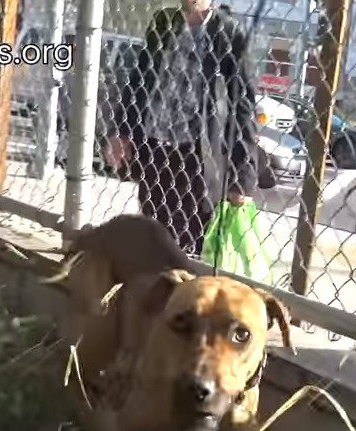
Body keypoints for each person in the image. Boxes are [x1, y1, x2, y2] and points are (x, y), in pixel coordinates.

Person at [106, 0, 261, 255]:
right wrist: (122, 132)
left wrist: (242, 177)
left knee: (190, 237)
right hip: (155, 144)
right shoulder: (164, 21)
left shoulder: (229, 32)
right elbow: (139, 78)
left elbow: (242, 104)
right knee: (151, 228)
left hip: (196, 154)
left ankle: (185, 289)